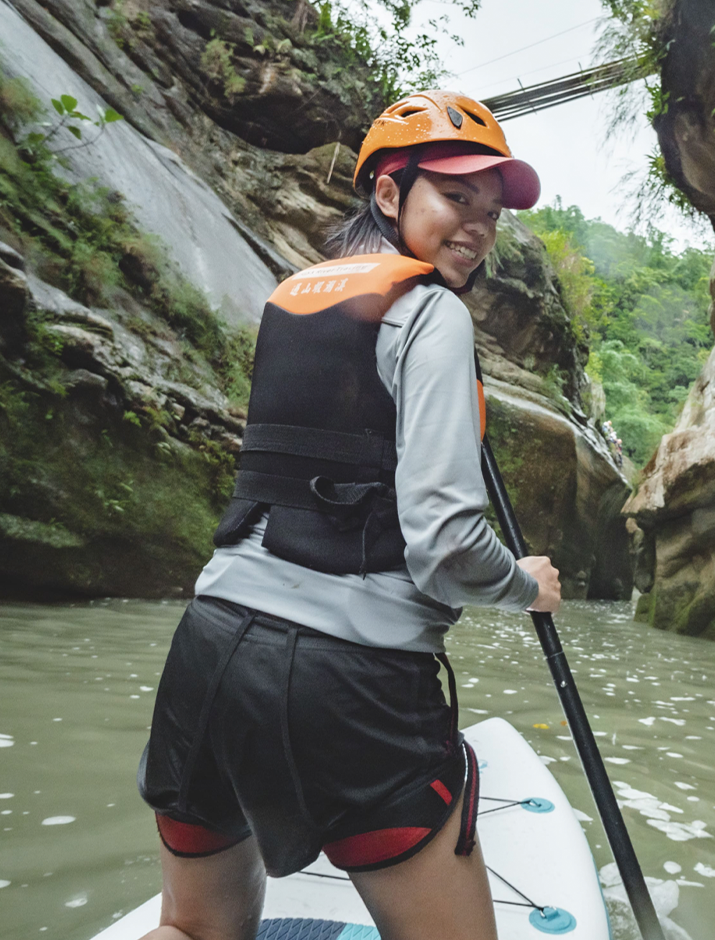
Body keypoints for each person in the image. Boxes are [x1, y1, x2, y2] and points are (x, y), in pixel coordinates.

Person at [135, 91, 562, 940]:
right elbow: (444, 547)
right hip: (350, 686)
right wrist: (525, 586)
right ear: (389, 194)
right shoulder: (433, 310)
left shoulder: (292, 297)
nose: (478, 224)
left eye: (492, 208)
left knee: (190, 930)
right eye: (456, 195)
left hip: (208, 655)